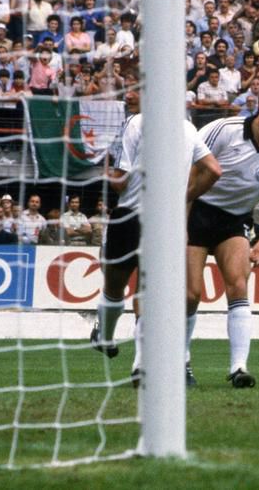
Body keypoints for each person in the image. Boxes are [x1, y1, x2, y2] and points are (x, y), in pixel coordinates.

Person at [90, 87, 221, 388]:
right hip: (166, 224)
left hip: (130, 217)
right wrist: (184, 195)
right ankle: (140, 365)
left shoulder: (138, 122)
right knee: (147, 293)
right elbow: (214, 170)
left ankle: (105, 336)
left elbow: (121, 182)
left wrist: (105, 172)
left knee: (114, 287)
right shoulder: (190, 129)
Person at [186, 78, 259, 388]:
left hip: (234, 219)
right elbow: (187, 162)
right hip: (195, 211)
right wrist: (178, 217)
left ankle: (239, 368)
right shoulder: (225, 129)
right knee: (190, 293)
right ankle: (181, 361)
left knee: (238, 285)